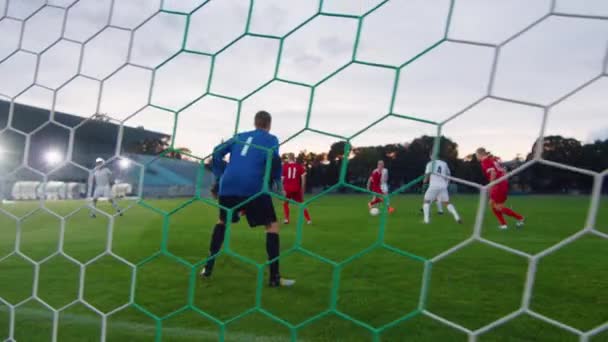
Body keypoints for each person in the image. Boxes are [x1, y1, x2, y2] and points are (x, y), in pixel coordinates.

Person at [200, 111, 295, 287]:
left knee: (222, 221)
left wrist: (221, 174)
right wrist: (276, 183)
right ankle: (274, 278)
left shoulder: (240, 136)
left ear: (255, 123)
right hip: (253, 186)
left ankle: (207, 268)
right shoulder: (271, 139)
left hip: (228, 185)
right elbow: (274, 160)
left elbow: (216, 152)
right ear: (269, 124)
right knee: (272, 226)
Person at [476, 148, 525, 230]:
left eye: (476, 155)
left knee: (497, 207)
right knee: (493, 204)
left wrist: (491, 186)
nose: (476, 157)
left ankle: (520, 218)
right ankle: (503, 225)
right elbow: (503, 170)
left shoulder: (485, 161)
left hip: (498, 184)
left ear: (480, 154)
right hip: (502, 183)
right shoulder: (492, 159)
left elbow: (493, 172)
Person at [422, 154, 461, 224]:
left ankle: (426, 220)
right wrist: (446, 183)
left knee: (426, 201)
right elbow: (448, 175)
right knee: (447, 203)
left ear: (431, 156)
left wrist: (425, 181)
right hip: (443, 186)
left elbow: (427, 174)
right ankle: (457, 217)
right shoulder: (444, 163)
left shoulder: (430, 164)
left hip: (434, 185)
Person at [282, 153, 312, 225]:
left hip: (287, 188)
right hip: (296, 188)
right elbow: (303, 177)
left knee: (285, 203)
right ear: (294, 158)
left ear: (288, 158)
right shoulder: (299, 166)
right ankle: (308, 220)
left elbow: (282, 179)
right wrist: (302, 187)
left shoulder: (285, 167)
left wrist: (282, 189)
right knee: (301, 204)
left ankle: (286, 219)